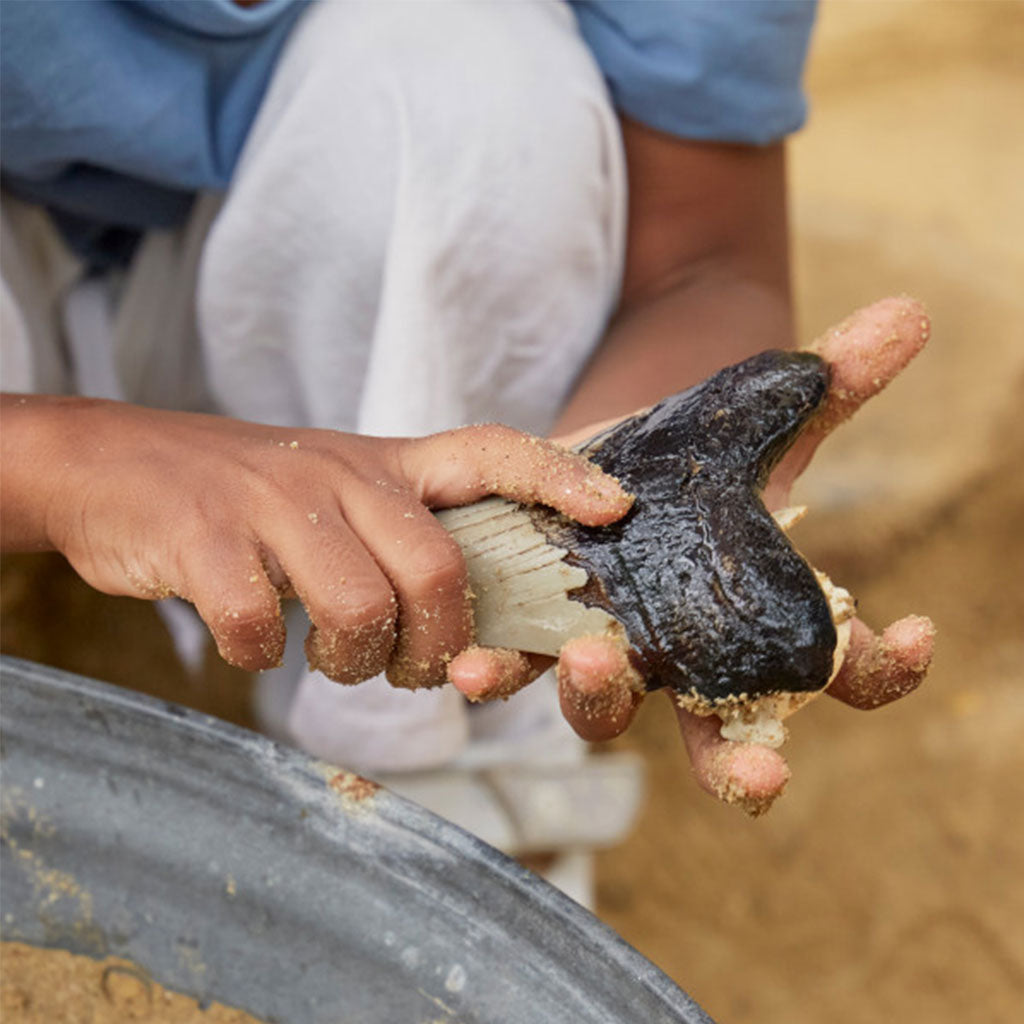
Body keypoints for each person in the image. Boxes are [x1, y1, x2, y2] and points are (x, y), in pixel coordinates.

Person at [1, 0, 933, 829]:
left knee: (469, 80)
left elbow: (703, 264)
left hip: (290, 229)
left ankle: (436, 789)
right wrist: (63, 463)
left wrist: (604, 496)